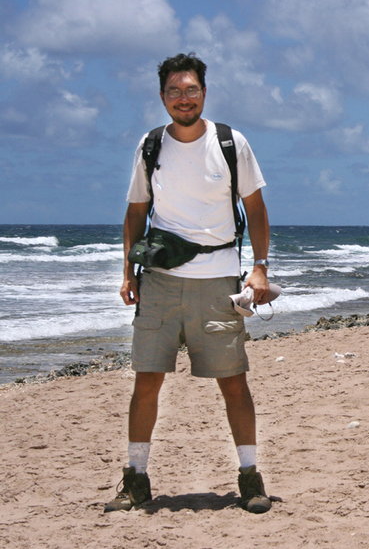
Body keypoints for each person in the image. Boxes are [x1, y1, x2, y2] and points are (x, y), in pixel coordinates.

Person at [106, 53, 273, 514]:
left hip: (218, 281)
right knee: (146, 381)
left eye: (191, 89)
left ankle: (250, 477)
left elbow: (255, 209)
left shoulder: (229, 142)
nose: (184, 98)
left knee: (233, 383)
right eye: (175, 91)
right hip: (159, 282)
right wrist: (126, 272)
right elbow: (136, 212)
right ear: (163, 97)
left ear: (204, 92)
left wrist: (259, 267)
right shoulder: (150, 145)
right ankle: (135, 478)